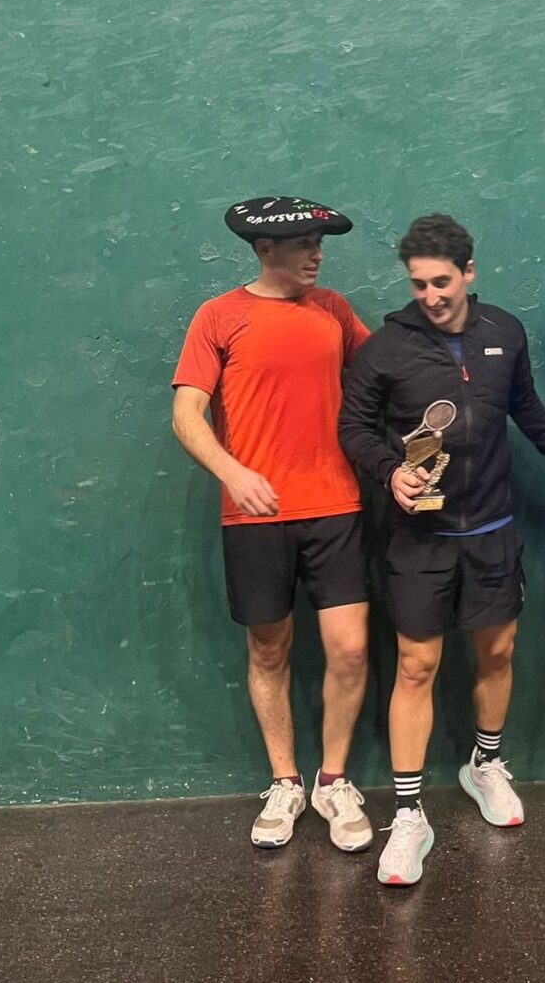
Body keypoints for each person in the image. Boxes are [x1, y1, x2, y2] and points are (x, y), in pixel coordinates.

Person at [339, 213, 545, 886]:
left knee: (496, 654)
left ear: (468, 273)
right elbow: (352, 427)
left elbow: (526, 410)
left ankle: (485, 764)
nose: (430, 296)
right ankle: (408, 814)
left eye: (441, 282)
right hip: (420, 540)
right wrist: (391, 472)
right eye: (418, 284)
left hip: (492, 531)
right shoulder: (386, 349)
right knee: (416, 667)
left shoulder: (504, 331)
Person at [171, 197, 374, 852]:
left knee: (350, 649)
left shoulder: (334, 310)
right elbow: (186, 415)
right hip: (254, 515)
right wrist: (232, 472)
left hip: (336, 507)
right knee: (268, 650)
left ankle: (332, 781)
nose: (317, 253)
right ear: (265, 250)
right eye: (304, 244)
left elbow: (386, 375)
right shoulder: (218, 316)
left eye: (320, 242)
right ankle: (285, 782)